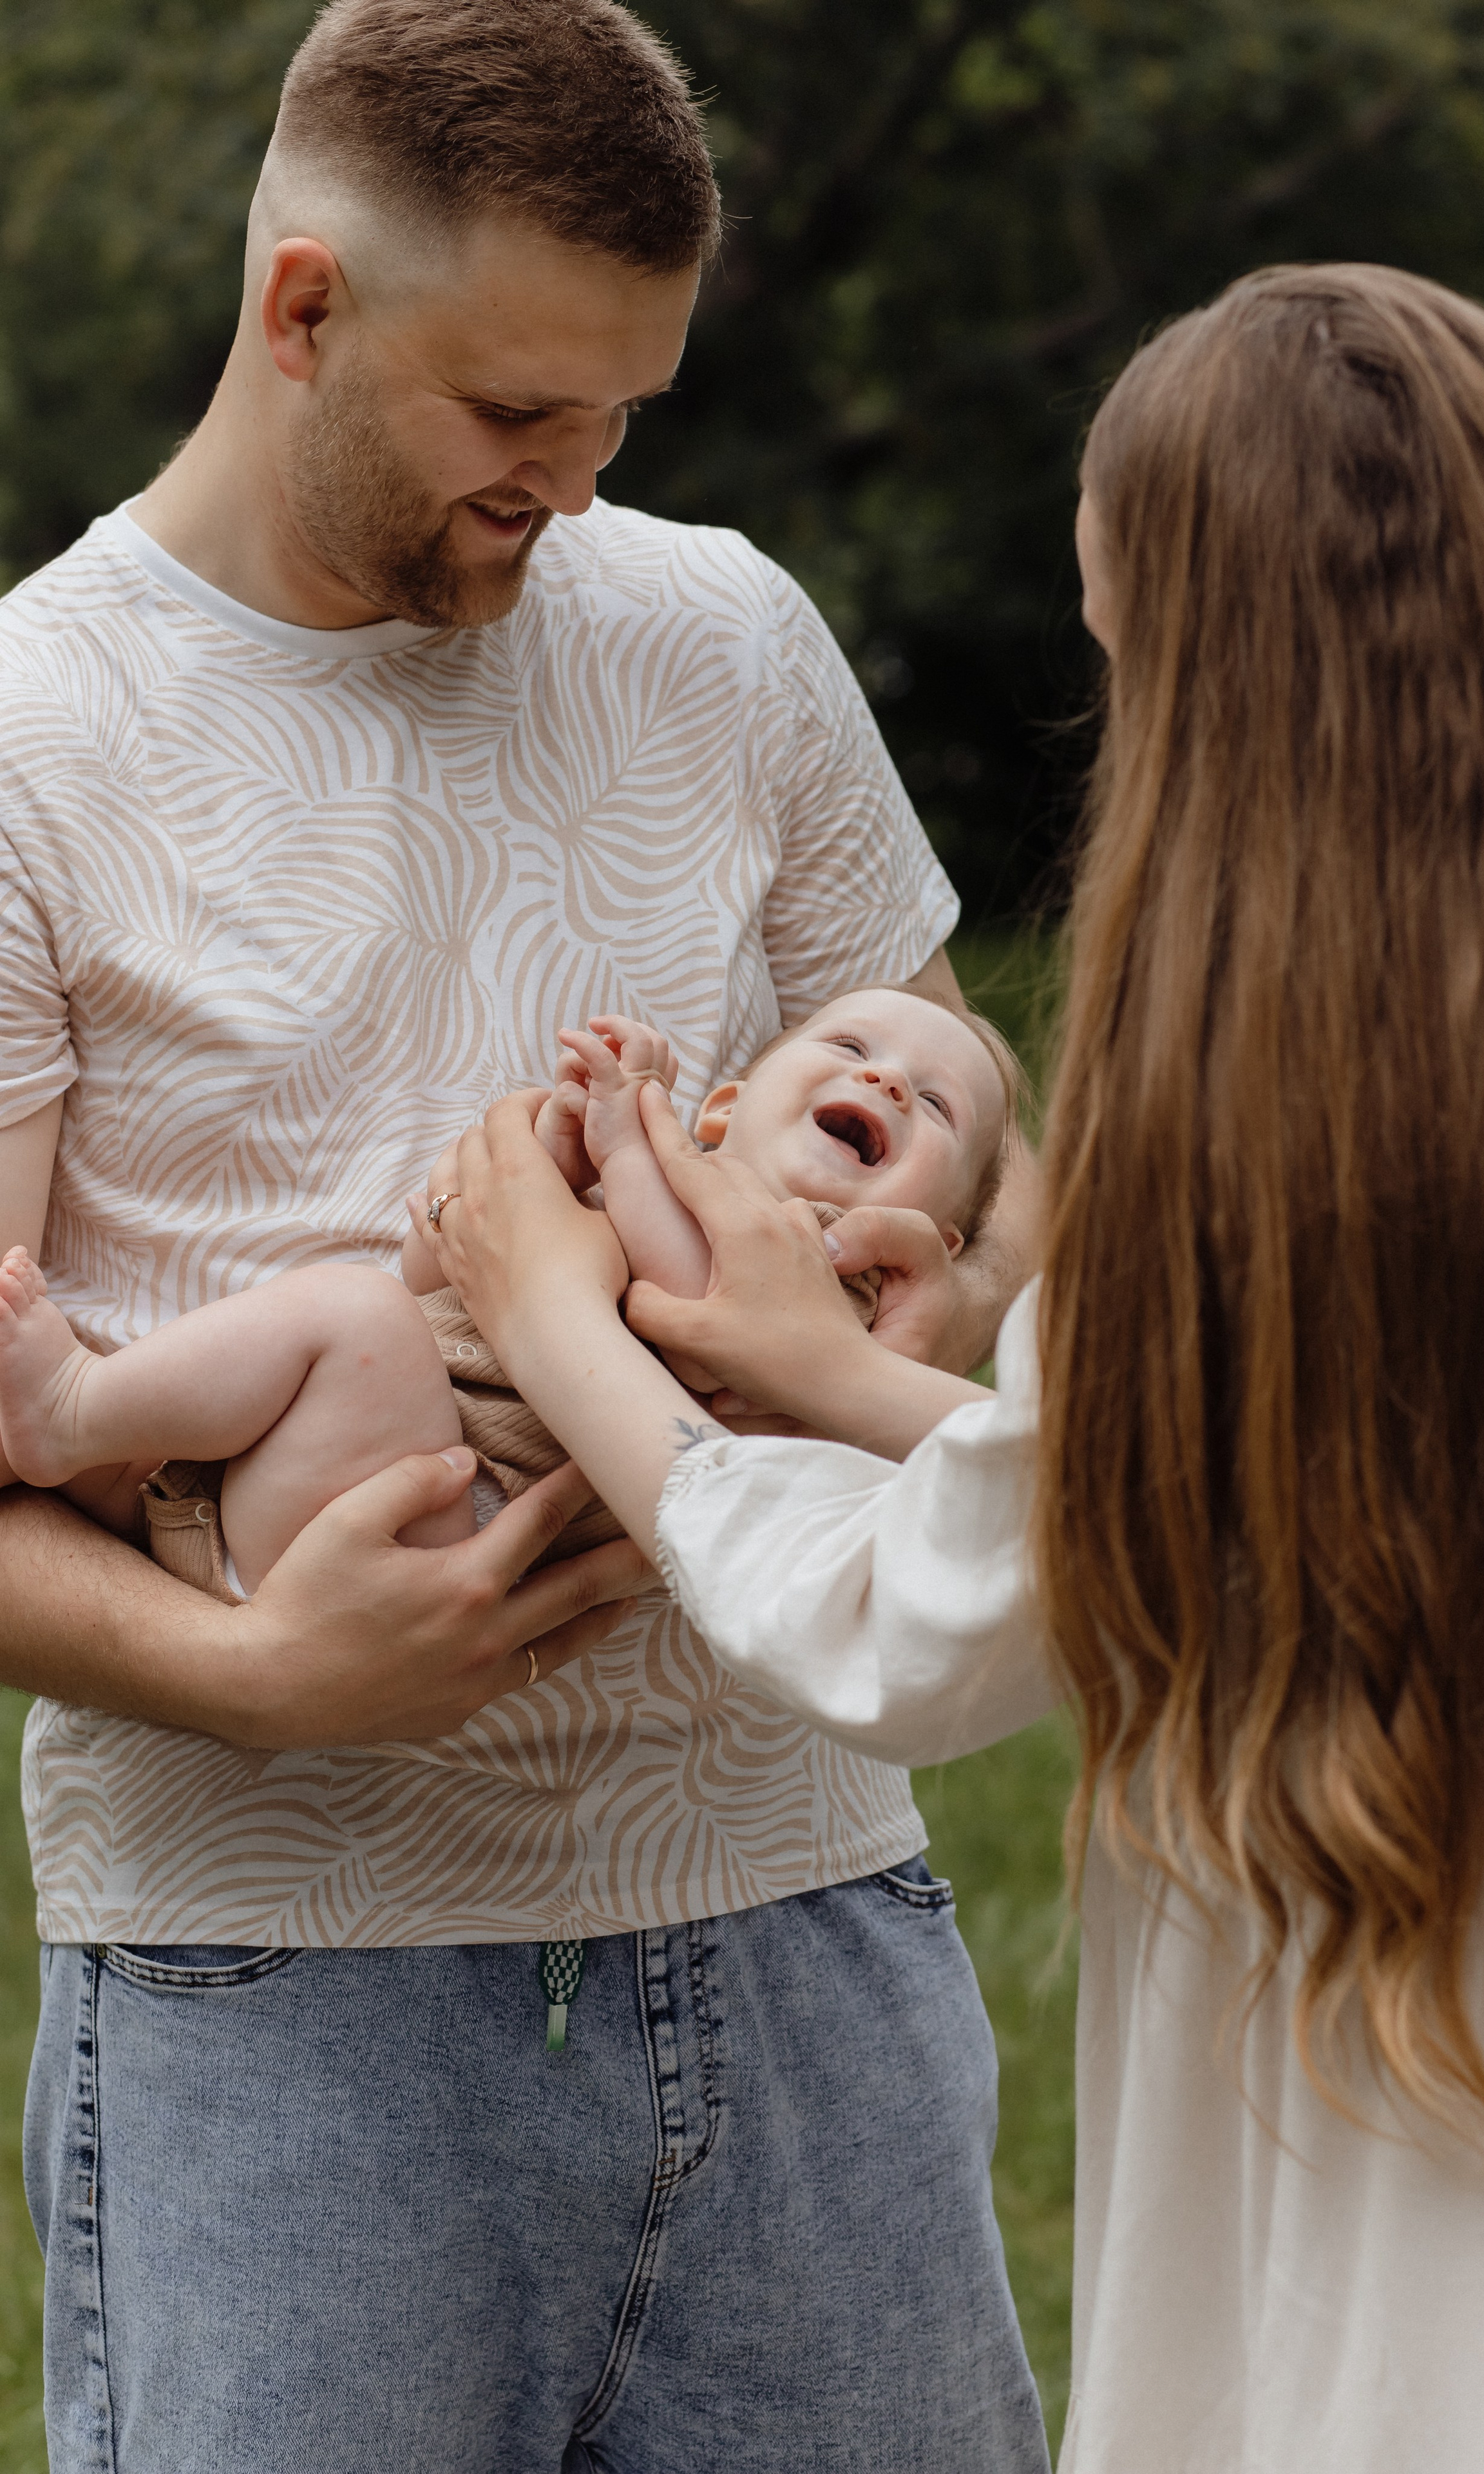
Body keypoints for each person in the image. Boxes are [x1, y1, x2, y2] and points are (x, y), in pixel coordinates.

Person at [421, 262, 1484, 2474]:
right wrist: (843, 1373)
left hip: (1407, 2303)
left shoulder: (1256, 1190)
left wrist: (554, 1329)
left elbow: (919, 1630)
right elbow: (1221, 1501)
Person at [3, 5, 1045, 2468]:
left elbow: (987, 1171)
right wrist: (263, 1677)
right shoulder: (34, 735)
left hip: (808, 1934)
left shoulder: (725, 632)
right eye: (514, 418)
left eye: (623, 417)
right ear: (302, 308)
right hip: (290, 1994)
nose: (575, 487)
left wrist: (873, 1310)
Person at [0, 988, 1014, 1597]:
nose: (885, 1083)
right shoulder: (649, 1194)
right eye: (851, 1050)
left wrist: (627, 1144)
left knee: (356, 1319)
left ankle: (73, 1410)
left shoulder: (842, 1290)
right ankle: (88, 1445)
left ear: (937, 1240)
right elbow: (437, 1272)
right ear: (723, 1110)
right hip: (307, 1506)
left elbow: (709, 1319)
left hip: (420, 1537)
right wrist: (553, 1157)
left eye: (933, 1105)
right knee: (356, 1309)